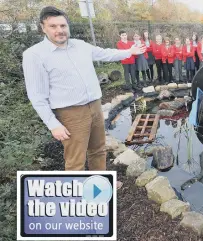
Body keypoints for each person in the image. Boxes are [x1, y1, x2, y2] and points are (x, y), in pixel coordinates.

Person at [22, 6, 145, 171]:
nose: (60, 30)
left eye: (63, 26)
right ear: (43, 28)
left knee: (98, 150)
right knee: (75, 159)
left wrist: (130, 51)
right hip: (70, 113)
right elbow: (37, 95)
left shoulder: (80, 45)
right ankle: (77, 194)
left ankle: (99, 183)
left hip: (95, 106)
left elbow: (105, 54)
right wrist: (53, 124)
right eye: (53, 26)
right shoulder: (34, 55)